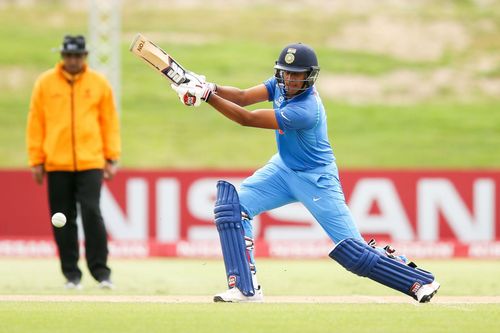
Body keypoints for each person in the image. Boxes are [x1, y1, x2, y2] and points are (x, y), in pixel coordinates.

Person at [171, 43, 440, 303]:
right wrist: (210, 86)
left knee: (354, 253)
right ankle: (245, 287)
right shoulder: (279, 84)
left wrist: (206, 96)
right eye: (286, 72)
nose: (289, 79)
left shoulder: (305, 110)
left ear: (309, 77)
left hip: (316, 179)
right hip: (282, 169)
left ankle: (417, 279)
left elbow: (247, 118)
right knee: (232, 209)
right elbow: (241, 96)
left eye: (297, 74)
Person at [26, 35, 121, 290]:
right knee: (62, 218)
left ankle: (101, 272)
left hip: (91, 161)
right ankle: (71, 275)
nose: (73, 60)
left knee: (92, 212)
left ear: (85, 56)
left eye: (77, 55)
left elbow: (109, 122)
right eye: (69, 55)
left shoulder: (98, 83)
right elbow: (36, 123)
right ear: (62, 56)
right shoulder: (45, 83)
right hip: (56, 162)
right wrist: (36, 159)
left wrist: (111, 157)